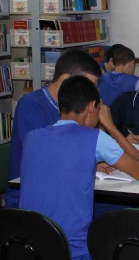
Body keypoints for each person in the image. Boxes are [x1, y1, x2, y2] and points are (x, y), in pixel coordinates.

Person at [19, 76, 139, 260]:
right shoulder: (95, 138)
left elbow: (55, 165)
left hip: (27, 257)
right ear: (92, 107)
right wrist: (112, 128)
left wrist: (92, 165)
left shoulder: (32, 137)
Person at [7, 49, 104, 209]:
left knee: (118, 211)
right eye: (86, 86)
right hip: (34, 192)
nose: (91, 93)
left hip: (67, 185)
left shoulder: (79, 107)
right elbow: (44, 157)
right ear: (65, 79)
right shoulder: (31, 105)